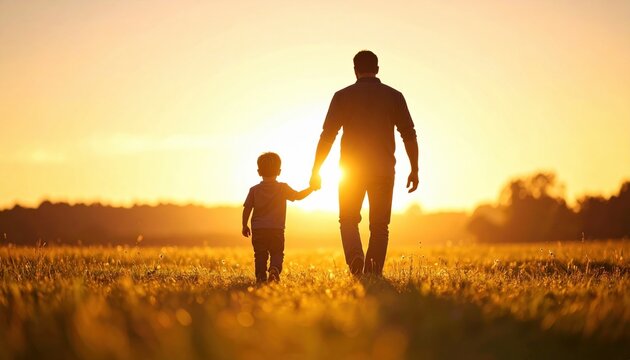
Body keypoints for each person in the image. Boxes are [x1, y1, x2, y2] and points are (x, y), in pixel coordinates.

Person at [309, 50, 419, 276]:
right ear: (377, 69)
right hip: (383, 170)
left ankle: (356, 260)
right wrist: (414, 169)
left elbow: (327, 135)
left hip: (350, 171)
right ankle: (373, 270)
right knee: (380, 226)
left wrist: (316, 169)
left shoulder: (342, 96)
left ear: (354, 70)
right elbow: (409, 134)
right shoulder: (394, 96)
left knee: (348, 219)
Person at [242, 152, 314, 283]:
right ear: (279, 171)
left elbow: (247, 208)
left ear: (259, 172)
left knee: (260, 255)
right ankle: (274, 269)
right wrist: (311, 188)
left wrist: (244, 225)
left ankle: (261, 276)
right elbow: (298, 196)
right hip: (276, 229)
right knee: (277, 252)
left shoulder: (254, 190)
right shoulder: (282, 188)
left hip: (259, 230)